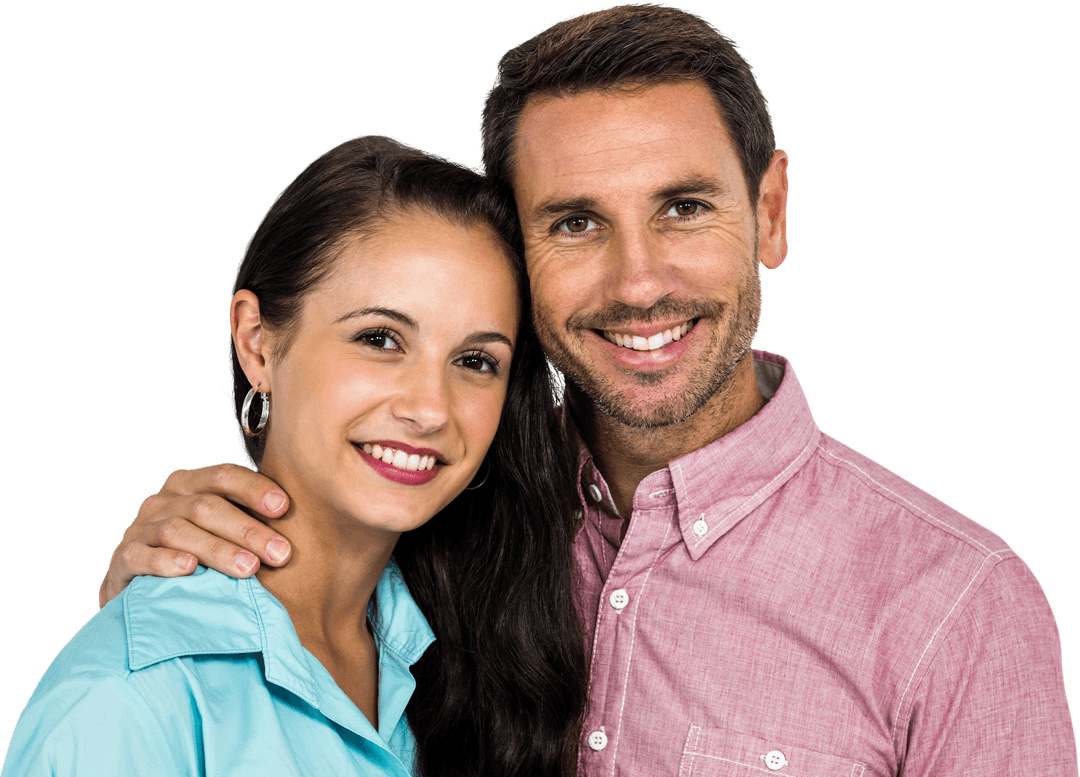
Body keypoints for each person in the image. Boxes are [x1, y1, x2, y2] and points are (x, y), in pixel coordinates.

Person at [95, 5, 1077, 775]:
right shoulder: (428, 510)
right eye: (573, 223)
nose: (638, 282)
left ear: (769, 213)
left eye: (685, 208)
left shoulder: (958, 608)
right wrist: (160, 575)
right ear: (514, 256)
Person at [2, 136, 587, 776]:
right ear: (257, 344)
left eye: (476, 361)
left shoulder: (478, 654)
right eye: (380, 338)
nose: (431, 408)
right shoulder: (128, 703)